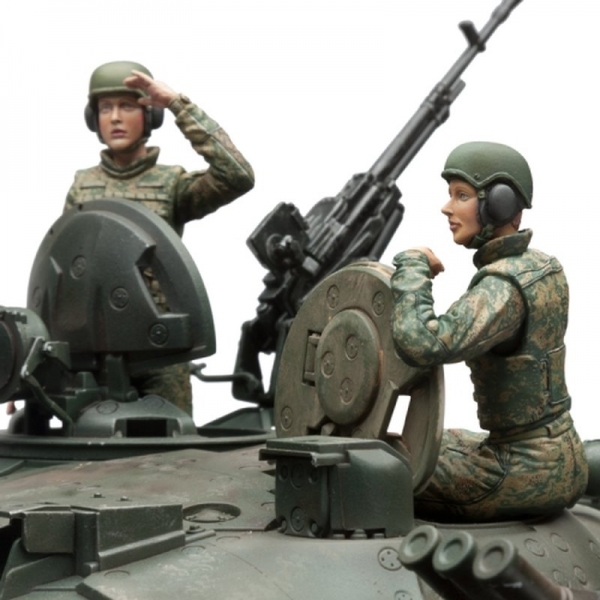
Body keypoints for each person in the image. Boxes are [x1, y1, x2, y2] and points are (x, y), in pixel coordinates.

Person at [390, 141, 588, 521]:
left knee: (374, 468)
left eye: (461, 195)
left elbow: (424, 344)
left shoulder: (503, 288)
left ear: (497, 204)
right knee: (429, 441)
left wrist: (413, 268)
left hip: (524, 474)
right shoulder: (542, 266)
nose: (447, 208)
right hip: (560, 453)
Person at [65, 60, 255, 416]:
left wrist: (177, 105)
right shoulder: (82, 186)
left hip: (161, 347)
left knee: (174, 444)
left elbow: (237, 176)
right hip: (95, 352)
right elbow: (64, 277)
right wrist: (33, 366)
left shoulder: (171, 184)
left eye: (127, 106)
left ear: (149, 116)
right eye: (105, 108)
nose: (115, 118)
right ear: (93, 119)